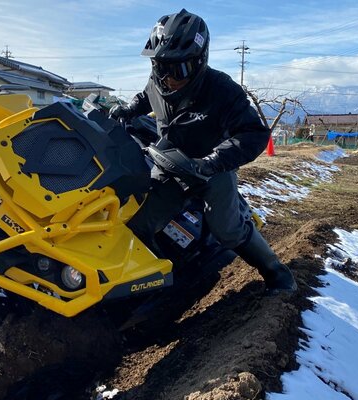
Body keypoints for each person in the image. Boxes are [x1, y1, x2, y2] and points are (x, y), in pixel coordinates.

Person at [112, 9, 297, 294]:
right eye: (160, 67)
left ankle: (276, 272)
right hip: (168, 162)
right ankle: (155, 286)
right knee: (139, 221)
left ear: (199, 61)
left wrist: (212, 162)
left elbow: (254, 134)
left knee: (227, 228)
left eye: (178, 69)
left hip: (212, 168)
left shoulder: (222, 90)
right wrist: (128, 109)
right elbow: (145, 96)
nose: (168, 78)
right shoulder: (158, 82)